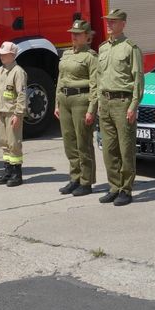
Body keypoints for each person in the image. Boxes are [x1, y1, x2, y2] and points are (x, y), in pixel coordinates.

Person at [95, 8, 143, 206]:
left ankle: (126, 189)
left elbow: (138, 78)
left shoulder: (130, 48)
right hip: (105, 102)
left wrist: (133, 105)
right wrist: (98, 102)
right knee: (109, 149)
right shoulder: (103, 48)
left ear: (123, 23)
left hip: (123, 103)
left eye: (113, 21)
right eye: (107, 20)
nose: (109, 24)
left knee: (126, 149)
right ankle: (114, 186)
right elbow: (99, 77)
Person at [54, 19, 99, 197]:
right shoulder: (66, 55)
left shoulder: (91, 56)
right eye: (72, 33)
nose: (74, 36)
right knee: (69, 141)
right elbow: (61, 78)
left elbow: (95, 84)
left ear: (87, 37)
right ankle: (75, 177)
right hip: (65, 99)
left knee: (83, 142)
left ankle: (86, 181)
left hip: (81, 99)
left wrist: (91, 109)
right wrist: (57, 101)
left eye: (78, 34)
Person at [0, 41, 28, 187]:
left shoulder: (18, 72)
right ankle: (7, 171)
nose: (1, 57)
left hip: (12, 112)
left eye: (4, 54)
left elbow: (21, 94)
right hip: (1, 112)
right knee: (4, 143)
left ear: (12, 55)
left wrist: (18, 114)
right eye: (0, 54)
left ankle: (16, 174)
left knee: (14, 143)